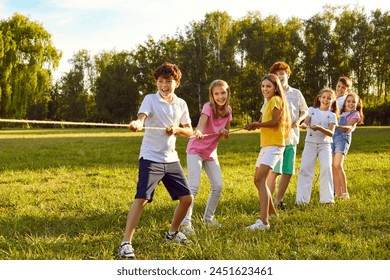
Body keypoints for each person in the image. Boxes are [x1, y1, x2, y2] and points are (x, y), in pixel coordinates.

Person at [119, 62, 194, 259]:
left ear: (176, 83)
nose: (164, 86)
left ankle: (172, 233)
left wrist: (177, 129)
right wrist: (137, 123)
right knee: (142, 198)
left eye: (168, 82)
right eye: (160, 81)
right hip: (150, 157)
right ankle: (126, 243)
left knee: (187, 199)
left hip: (171, 159)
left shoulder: (181, 104)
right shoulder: (150, 99)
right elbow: (141, 118)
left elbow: (190, 132)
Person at [181, 80, 232, 234]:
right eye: (216, 93)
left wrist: (225, 132)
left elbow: (226, 137)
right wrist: (198, 131)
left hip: (210, 153)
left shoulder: (229, 110)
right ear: (212, 95)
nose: (220, 96)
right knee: (194, 187)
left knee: (218, 186)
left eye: (223, 92)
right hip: (196, 150)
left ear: (227, 93)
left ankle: (208, 219)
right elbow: (201, 124)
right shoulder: (208, 107)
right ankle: (185, 223)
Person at [244, 74, 291, 230]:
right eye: (263, 86)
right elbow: (261, 121)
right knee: (257, 180)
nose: (265, 89)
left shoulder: (276, 100)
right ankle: (272, 214)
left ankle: (264, 222)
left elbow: (275, 122)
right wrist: (254, 125)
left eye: (268, 86)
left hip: (275, 145)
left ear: (275, 88)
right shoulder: (268, 103)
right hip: (267, 145)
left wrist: (257, 125)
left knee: (260, 180)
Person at [266, 61, 308, 210]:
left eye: (282, 73)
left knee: (288, 171)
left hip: (292, 138)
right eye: (276, 75)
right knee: (275, 170)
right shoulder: (271, 94)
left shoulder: (296, 93)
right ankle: (267, 202)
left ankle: (278, 201)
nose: (280, 76)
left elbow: (305, 110)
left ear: (288, 74)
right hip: (277, 139)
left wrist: (299, 120)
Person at [296, 88, 339, 204]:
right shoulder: (312, 110)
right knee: (305, 169)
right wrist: (304, 124)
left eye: (329, 98)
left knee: (326, 168)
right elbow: (306, 121)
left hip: (325, 145)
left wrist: (320, 128)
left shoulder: (332, 115)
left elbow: (331, 133)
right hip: (310, 143)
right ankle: (302, 200)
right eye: (324, 97)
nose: (325, 100)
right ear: (319, 98)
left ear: (333, 101)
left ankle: (327, 199)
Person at [332, 92, 364, 199]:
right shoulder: (340, 113)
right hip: (333, 139)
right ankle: (337, 193)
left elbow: (348, 127)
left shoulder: (355, 115)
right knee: (333, 166)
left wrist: (336, 126)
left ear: (357, 104)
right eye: (348, 101)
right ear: (345, 103)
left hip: (342, 139)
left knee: (338, 165)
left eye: (353, 102)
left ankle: (345, 192)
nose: (350, 104)